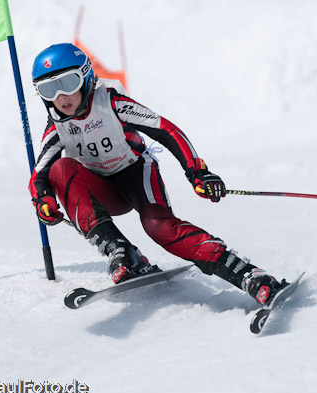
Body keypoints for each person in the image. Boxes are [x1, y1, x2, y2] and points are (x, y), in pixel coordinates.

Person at [28, 43, 286, 305]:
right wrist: (43, 201)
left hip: (136, 175)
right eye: (48, 89)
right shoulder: (56, 127)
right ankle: (121, 251)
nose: (61, 97)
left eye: (68, 83)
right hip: (101, 191)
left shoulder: (112, 103)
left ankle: (248, 275)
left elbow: (166, 130)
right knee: (60, 169)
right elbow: (39, 175)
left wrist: (196, 171)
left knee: (159, 227)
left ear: (86, 77)